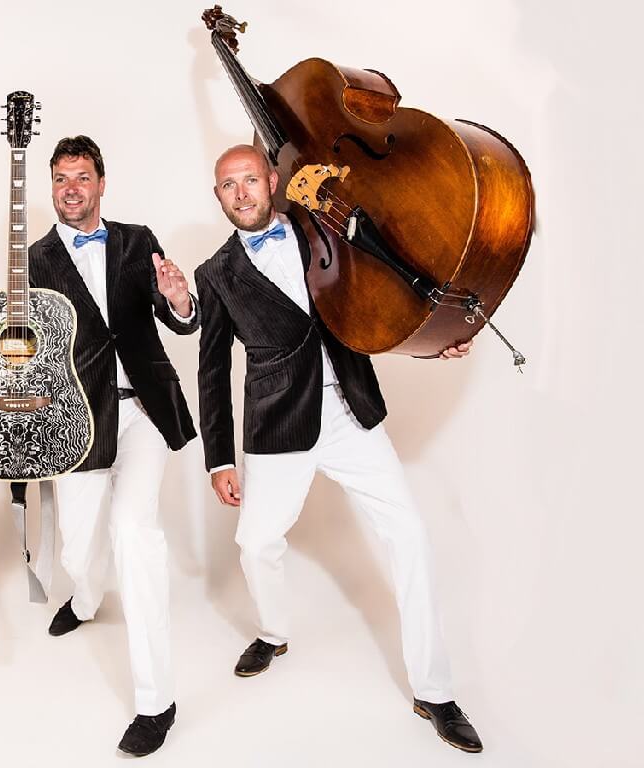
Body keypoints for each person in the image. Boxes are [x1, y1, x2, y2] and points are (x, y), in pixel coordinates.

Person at [195, 144, 482, 753]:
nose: (241, 193)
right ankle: (274, 632)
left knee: (409, 534)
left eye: (250, 179)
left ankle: (434, 691)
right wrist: (219, 457)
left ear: (272, 180)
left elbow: (379, 296)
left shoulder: (319, 227)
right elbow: (212, 370)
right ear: (217, 196)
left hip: (352, 412)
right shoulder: (214, 273)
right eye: (228, 185)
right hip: (279, 425)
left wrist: (437, 340)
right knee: (255, 543)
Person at [27, 135, 198, 756]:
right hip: (77, 417)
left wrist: (179, 299)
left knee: (133, 532)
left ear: (101, 183)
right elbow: (30, 347)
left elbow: (178, 316)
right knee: (80, 548)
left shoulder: (135, 238)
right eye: (61, 179)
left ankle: (157, 702)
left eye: (82, 177)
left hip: (144, 411)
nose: (71, 189)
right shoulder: (34, 258)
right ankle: (86, 596)